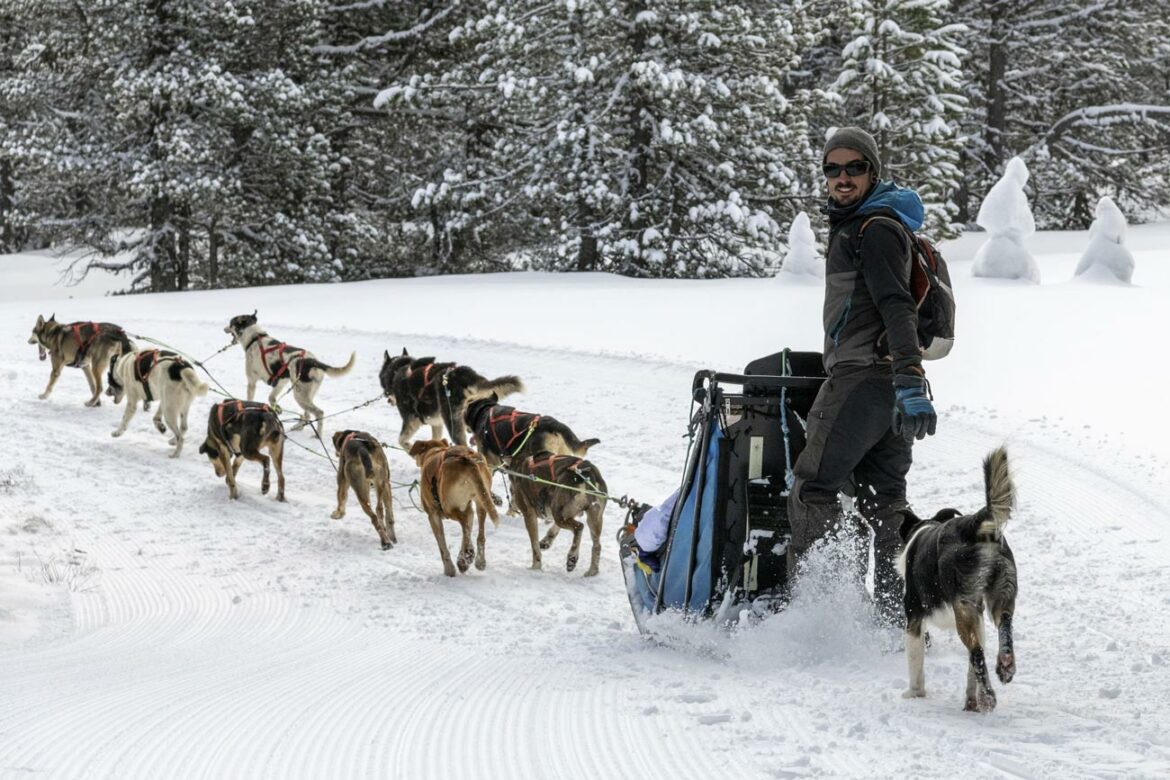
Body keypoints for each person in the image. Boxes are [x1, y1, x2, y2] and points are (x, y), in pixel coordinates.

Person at [786, 127, 938, 627]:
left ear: (873, 171)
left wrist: (910, 378)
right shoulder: (873, 224)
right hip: (887, 383)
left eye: (854, 167)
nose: (843, 177)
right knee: (884, 501)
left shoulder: (872, 229)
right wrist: (905, 381)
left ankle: (818, 614)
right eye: (833, 169)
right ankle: (901, 620)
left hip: (863, 379)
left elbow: (896, 305)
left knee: (813, 487)